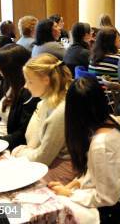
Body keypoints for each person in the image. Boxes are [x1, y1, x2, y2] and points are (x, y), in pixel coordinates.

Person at [49, 77, 120, 223]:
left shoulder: (101, 144)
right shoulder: (110, 120)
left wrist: (69, 194)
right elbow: (98, 174)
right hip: (112, 193)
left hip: (112, 207)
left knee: (52, 212)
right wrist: (75, 184)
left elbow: (107, 198)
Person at [12, 54, 75, 183]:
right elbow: (33, 141)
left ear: (46, 80)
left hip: (66, 168)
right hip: (52, 161)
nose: (25, 86)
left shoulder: (60, 110)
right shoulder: (45, 103)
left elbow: (42, 158)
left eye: (30, 81)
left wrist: (20, 152)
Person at [0, 44, 40, 149]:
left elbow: (22, 132)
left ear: (12, 69)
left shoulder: (29, 92)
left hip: (12, 145)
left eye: (0, 67)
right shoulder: (6, 83)